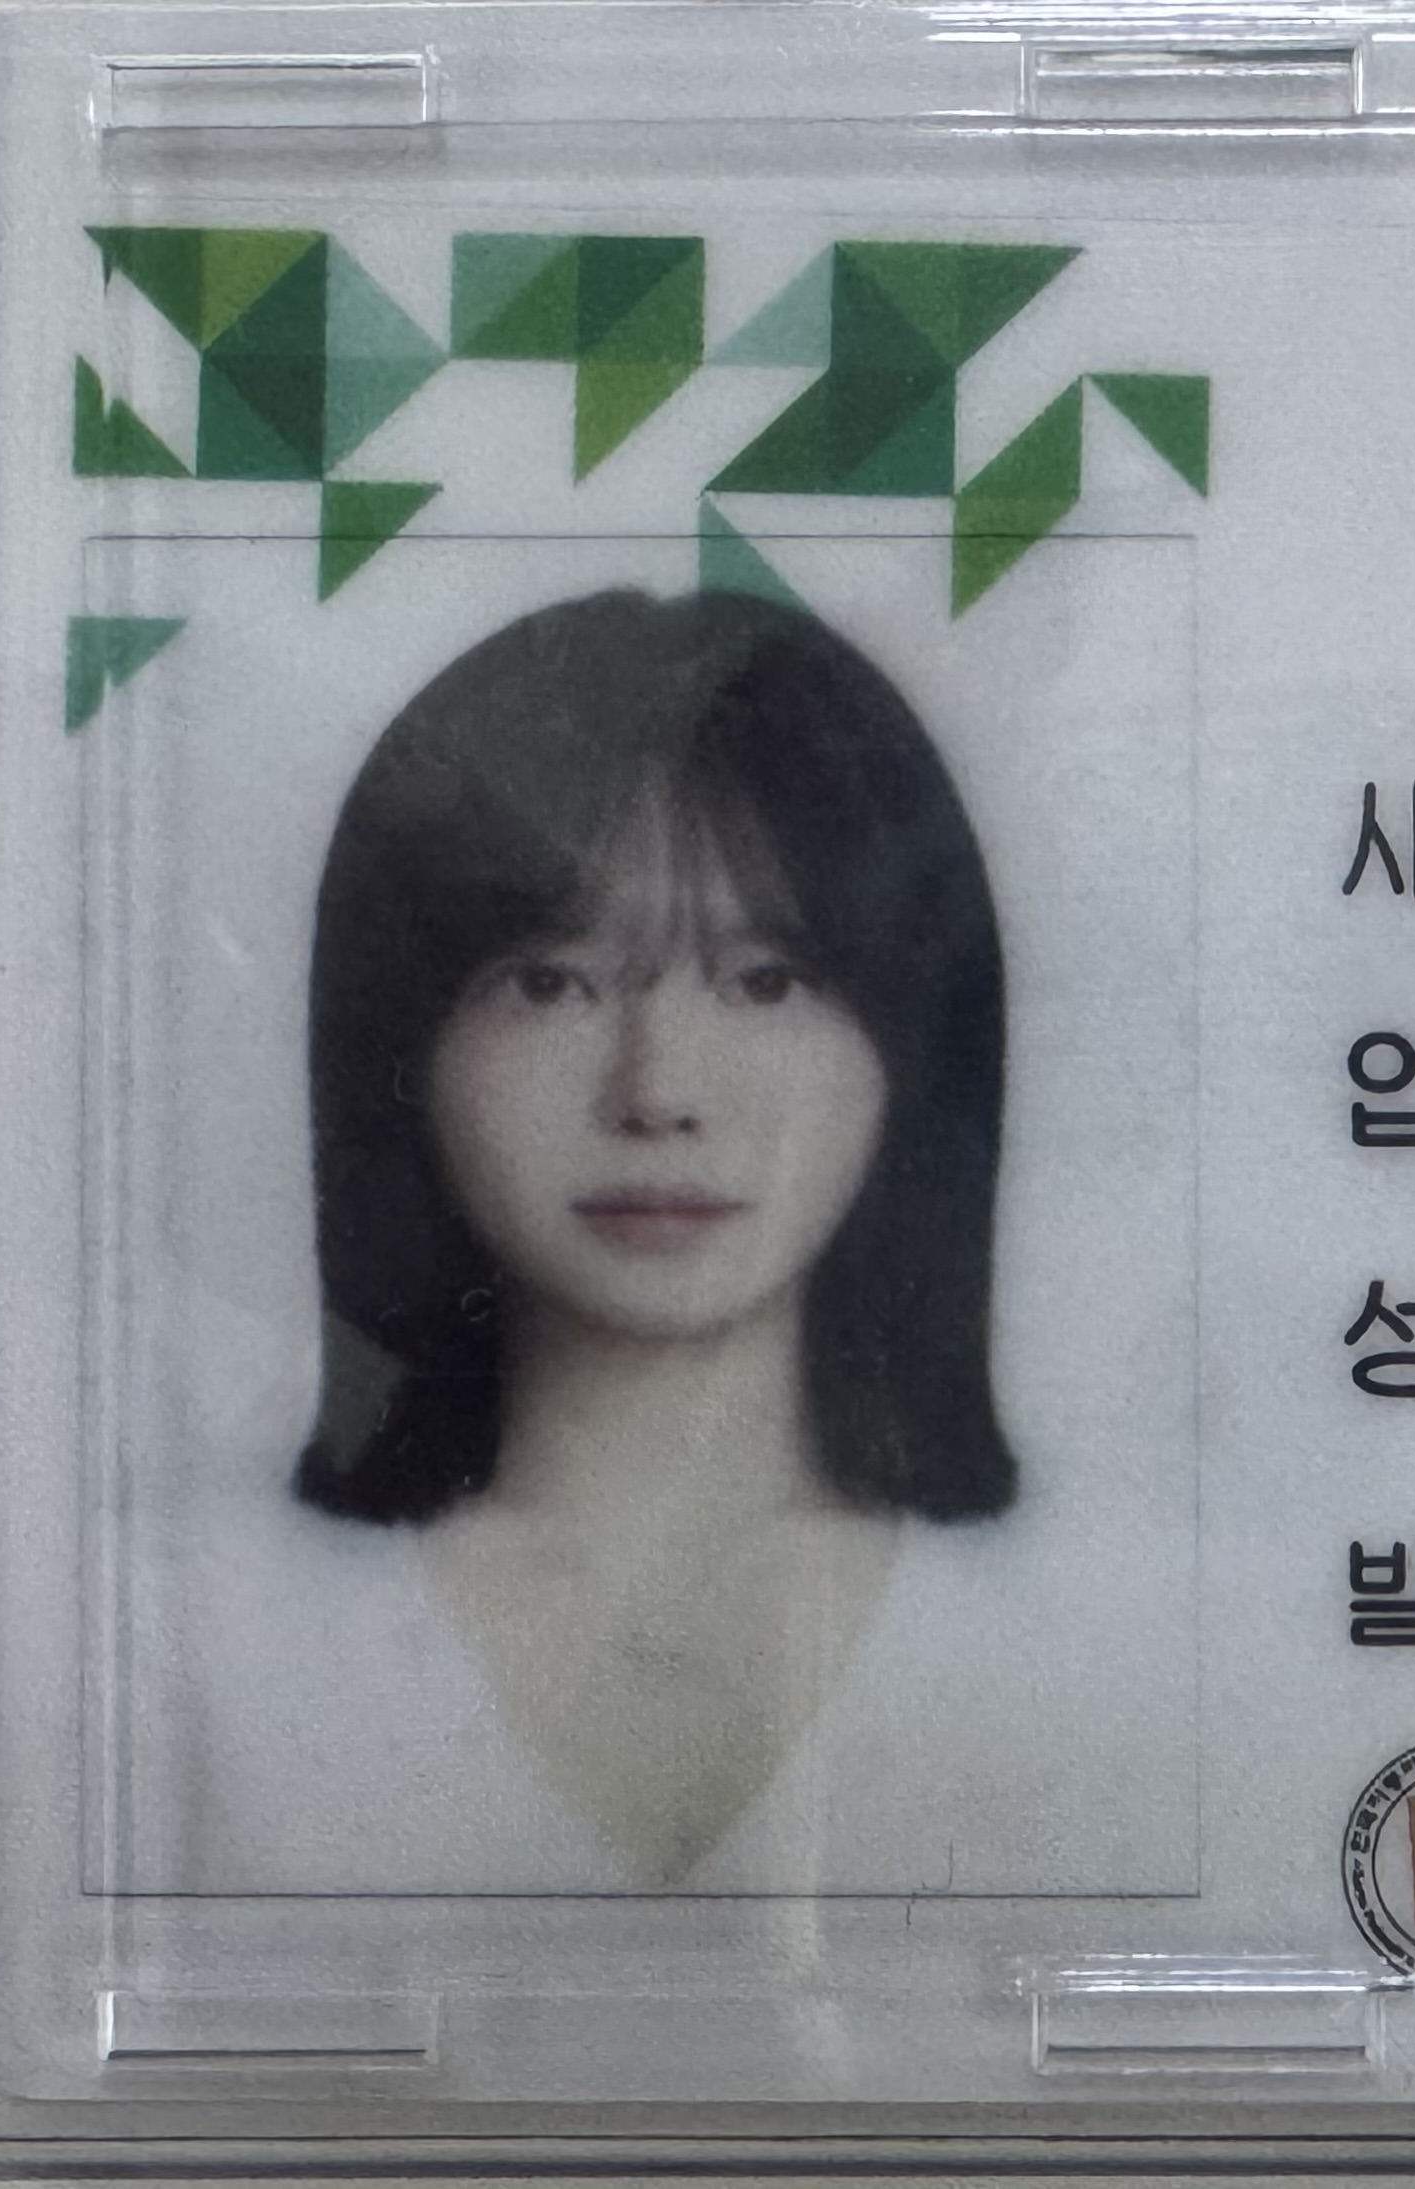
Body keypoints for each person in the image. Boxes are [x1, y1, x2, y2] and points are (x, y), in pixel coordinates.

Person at [288, 587, 1016, 1883]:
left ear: (911, 1044)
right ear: (400, 1039)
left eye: (766, 981)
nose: (657, 1090)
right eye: (549, 981)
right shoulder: (226, 1635)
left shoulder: (1066, 1616)